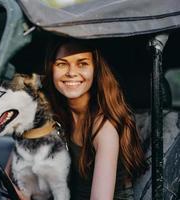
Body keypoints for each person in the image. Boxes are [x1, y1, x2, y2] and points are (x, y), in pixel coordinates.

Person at [41, 38, 148, 200]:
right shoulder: (56, 116)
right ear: (51, 69)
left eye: (82, 64)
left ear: (95, 69)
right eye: (61, 64)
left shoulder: (104, 128)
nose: (71, 72)